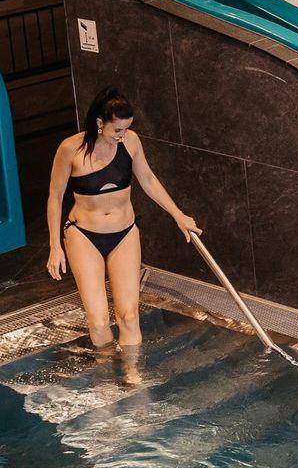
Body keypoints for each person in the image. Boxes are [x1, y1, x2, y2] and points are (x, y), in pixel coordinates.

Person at [46, 84, 201, 352]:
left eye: (127, 128)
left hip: (124, 233)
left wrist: (178, 215)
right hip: (84, 235)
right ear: (99, 123)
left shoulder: (131, 142)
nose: (122, 135)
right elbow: (55, 196)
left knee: (129, 316)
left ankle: (132, 374)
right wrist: (54, 246)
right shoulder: (70, 149)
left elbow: (149, 181)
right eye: (117, 130)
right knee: (98, 321)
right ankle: (106, 370)